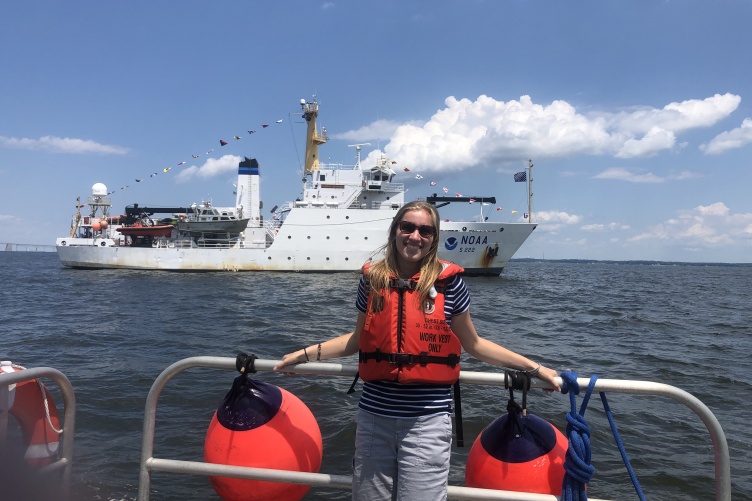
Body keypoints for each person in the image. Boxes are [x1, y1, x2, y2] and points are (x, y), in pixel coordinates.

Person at [274, 200, 560, 501]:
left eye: (425, 231)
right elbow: (357, 339)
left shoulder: (451, 286)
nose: (415, 236)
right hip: (374, 419)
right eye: (407, 227)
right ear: (395, 230)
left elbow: (475, 345)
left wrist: (536, 368)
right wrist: (304, 354)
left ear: (434, 238)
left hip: (428, 424)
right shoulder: (372, 281)